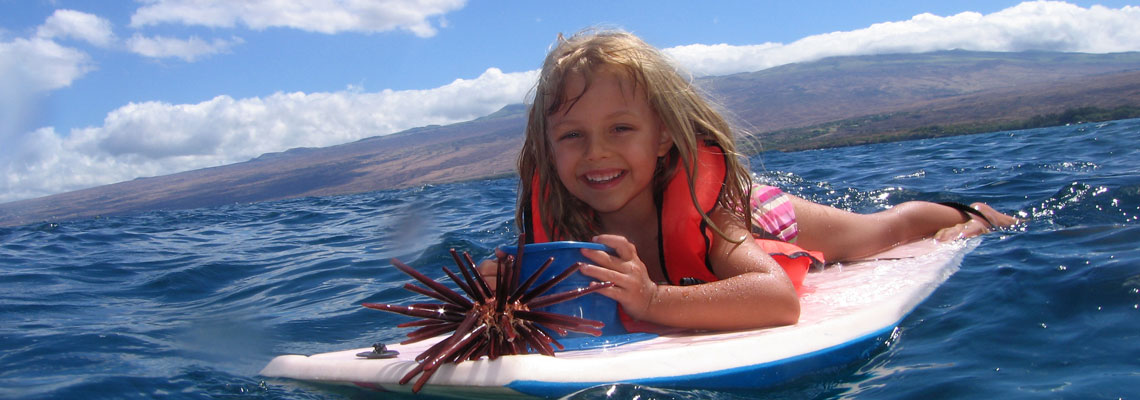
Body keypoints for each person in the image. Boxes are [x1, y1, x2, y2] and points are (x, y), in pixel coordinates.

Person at [484, 29, 1018, 332]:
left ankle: (969, 214)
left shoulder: (712, 211)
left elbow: (778, 299)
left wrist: (652, 300)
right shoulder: (562, 217)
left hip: (758, 215)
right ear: (548, 151)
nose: (596, 153)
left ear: (665, 136)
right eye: (573, 136)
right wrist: (502, 291)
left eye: (621, 128)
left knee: (875, 235)